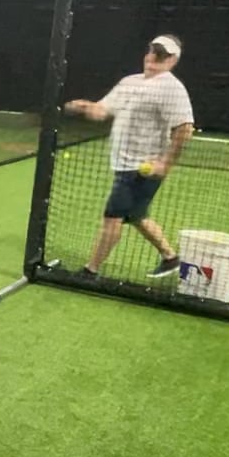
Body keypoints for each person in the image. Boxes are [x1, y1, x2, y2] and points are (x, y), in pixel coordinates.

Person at [63, 34, 195, 280]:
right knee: (136, 215)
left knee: (112, 218)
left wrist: (164, 164)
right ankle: (171, 258)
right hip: (123, 165)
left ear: (173, 60)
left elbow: (185, 128)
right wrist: (87, 107)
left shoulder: (172, 88)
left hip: (143, 169)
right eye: (153, 50)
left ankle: (90, 271)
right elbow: (102, 111)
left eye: (161, 54)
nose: (154, 57)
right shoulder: (129, 82)